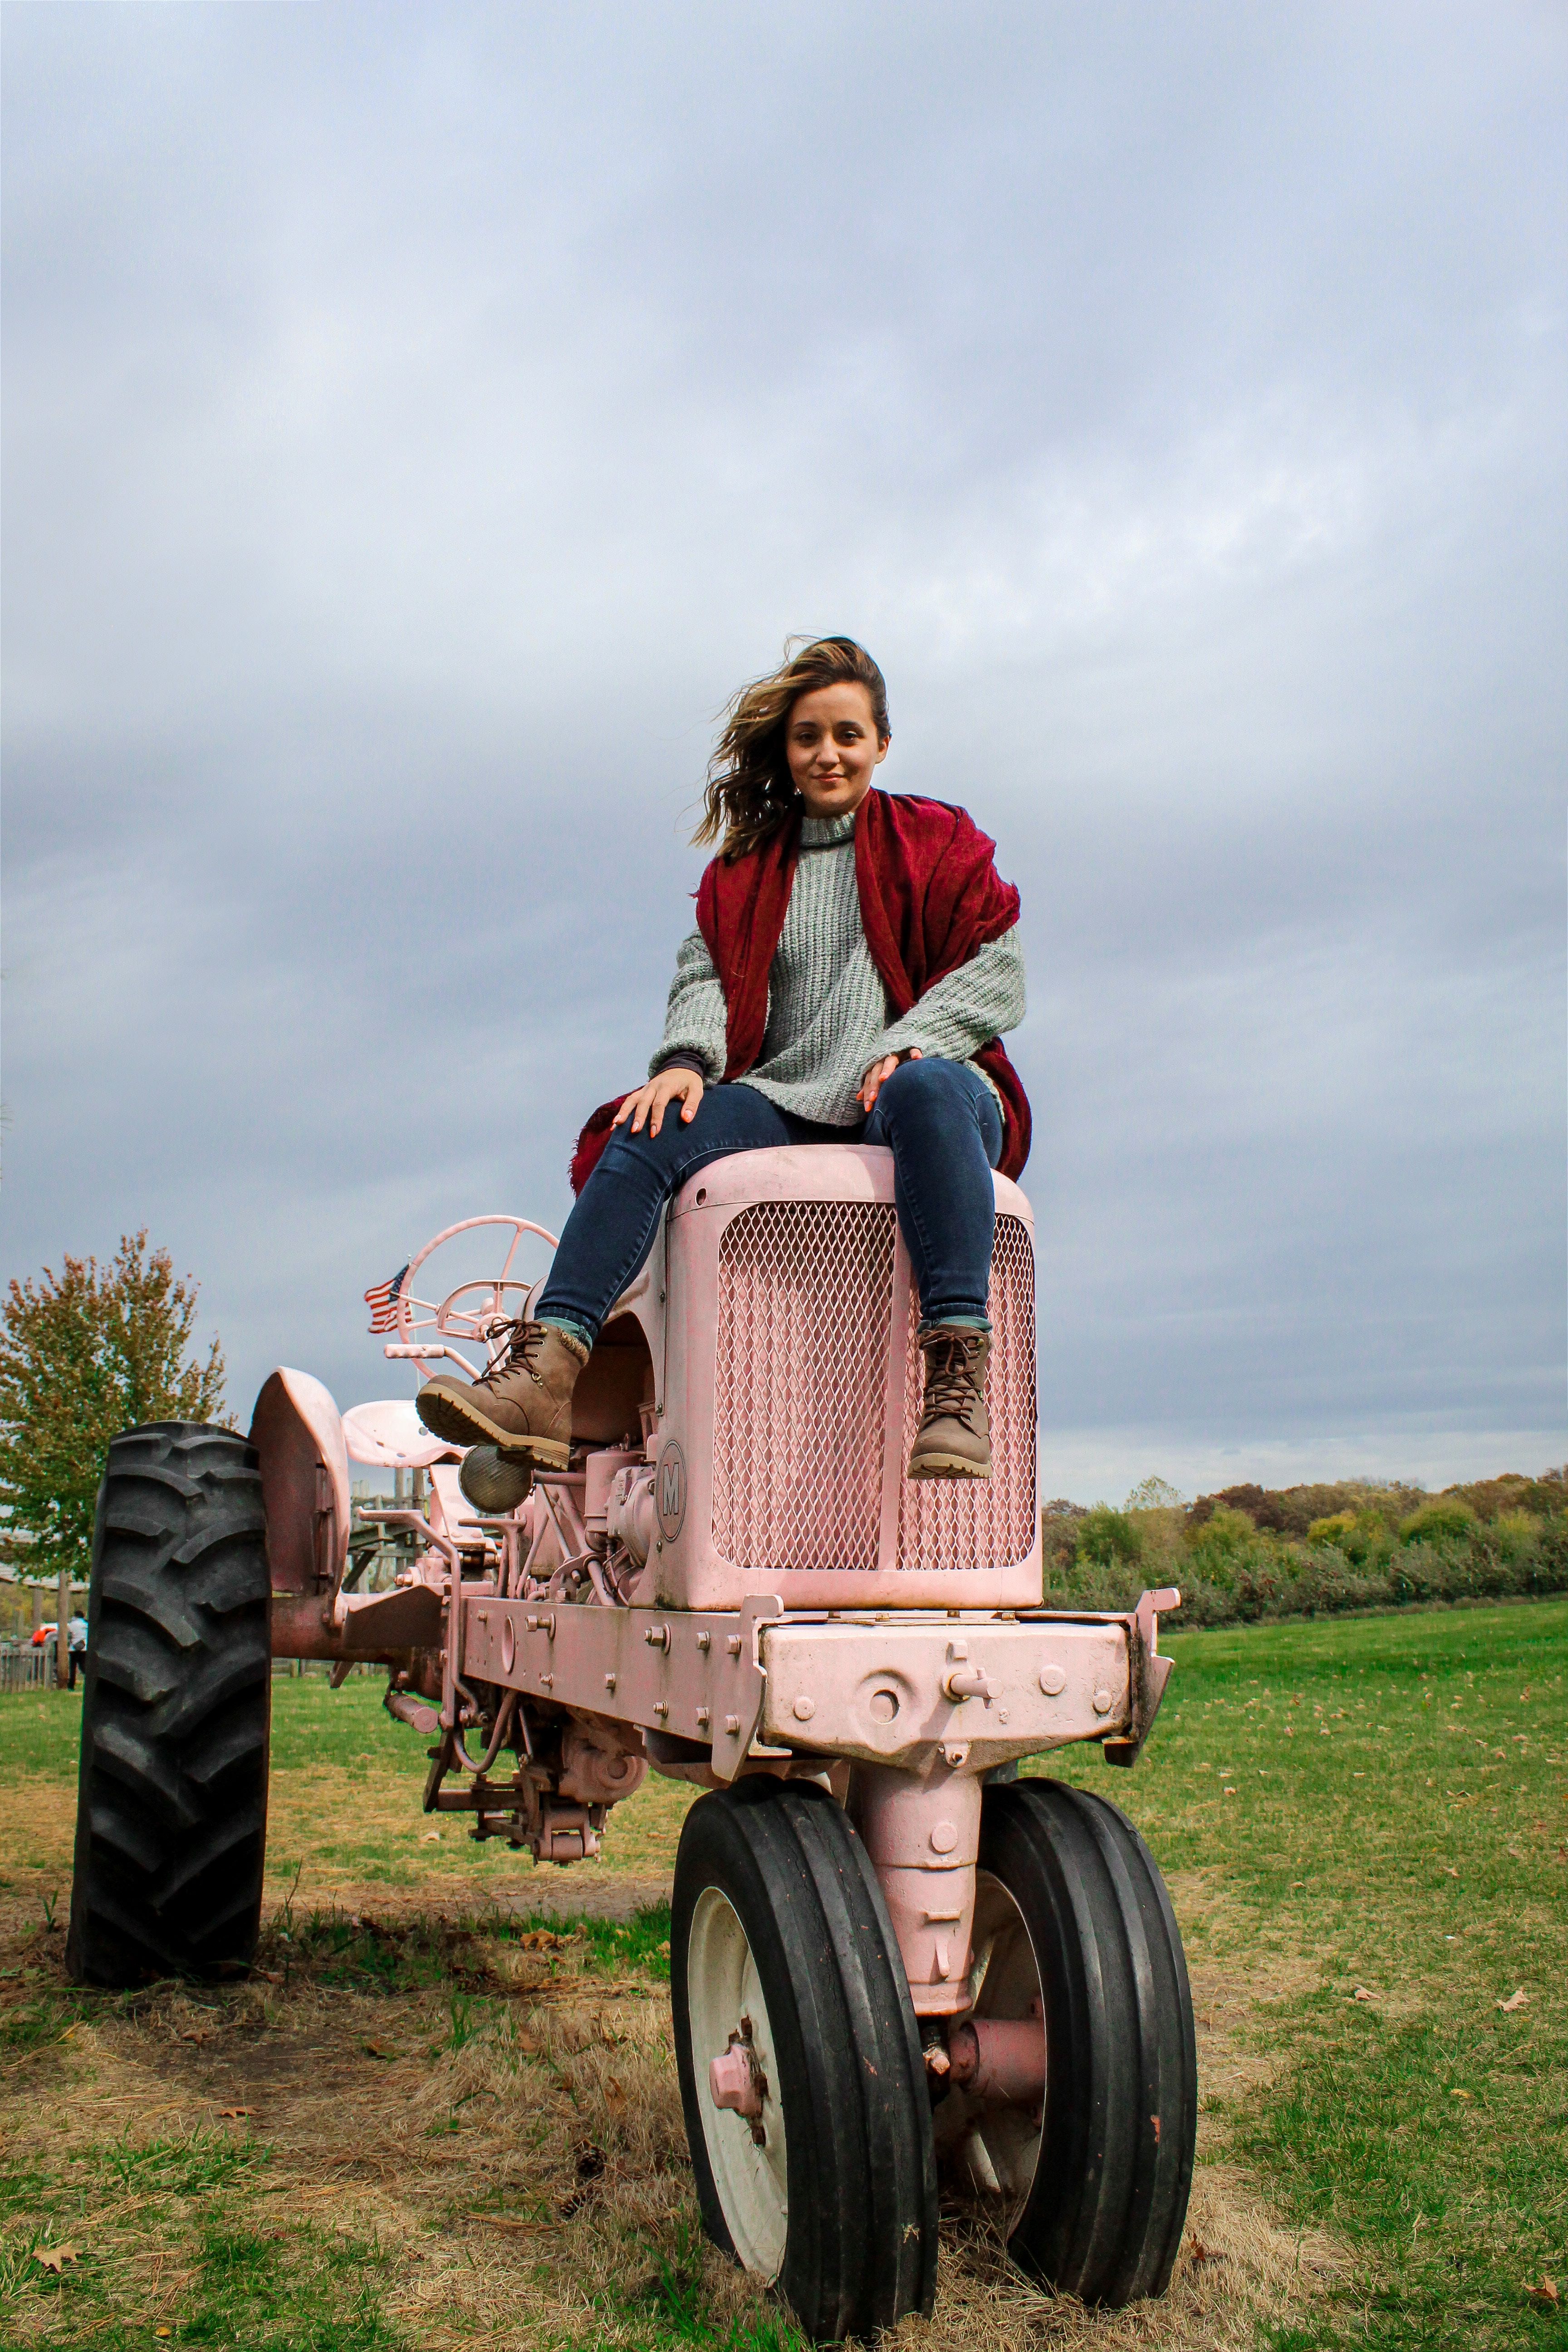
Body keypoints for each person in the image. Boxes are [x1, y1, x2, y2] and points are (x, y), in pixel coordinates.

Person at [416, 636, 1029, 1482]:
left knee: (924, 1086)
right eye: (808, 735)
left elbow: (997, 963)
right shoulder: (745, 865)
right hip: (790, 1096)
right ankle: (545, 1373)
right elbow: (704, 968)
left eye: (848, 734)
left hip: (933, 1090)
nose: (827, 753)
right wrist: (685, 1059)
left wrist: (913, 1040)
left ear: (881, 743)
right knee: (654, 1115)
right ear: (786, 747)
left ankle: (955, 1388)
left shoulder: (939, 837)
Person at [67, 1612, 88, 1690]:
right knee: (83, 1667)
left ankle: (71, 1685)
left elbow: (69, 1636)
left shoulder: (72, 1624)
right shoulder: (86, 1624)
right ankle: (89, 1682)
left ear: (76, 1616)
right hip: (84, 1648)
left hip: (73, 1648)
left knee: (73, 1668)